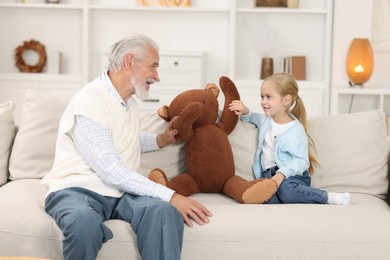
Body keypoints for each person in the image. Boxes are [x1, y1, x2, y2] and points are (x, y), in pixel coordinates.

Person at [41, 34, 211, 260]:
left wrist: (160, 140)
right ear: (130, 62)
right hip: (77, 189)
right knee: (83, 223)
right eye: (153, 66)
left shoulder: (127, 102)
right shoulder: (89, 102)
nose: (157, 76)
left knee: (162, 212)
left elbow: (118, 139)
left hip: (119, 193)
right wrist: (172, 196)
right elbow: (111, 169)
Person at [228, 73, 351, 205]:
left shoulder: (296, 131)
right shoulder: (264, 121)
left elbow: (302, 161)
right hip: (268, 176)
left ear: (286, 100)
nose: (263, 101)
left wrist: (281, 175)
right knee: (268, 199)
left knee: (286, 191)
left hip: (292, 177)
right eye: (262, 96)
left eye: (268, 97)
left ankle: (327, 197)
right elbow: (251, 117)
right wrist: (244, 109)